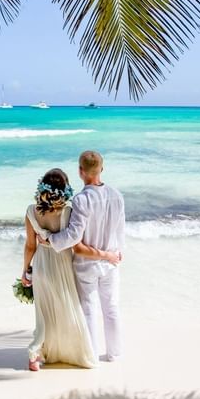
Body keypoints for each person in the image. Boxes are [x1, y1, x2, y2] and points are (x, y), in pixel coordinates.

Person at [21, 168, 120, 371]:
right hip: (63, 267)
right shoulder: (67, 212)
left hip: (41, 266)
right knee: (66, 310)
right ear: (64, 189)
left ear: (42, 187)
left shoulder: (31, 211)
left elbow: (30, 246)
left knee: (44, 314)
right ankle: (71, 351)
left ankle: (35, 355)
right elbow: (74, 244)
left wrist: (25, 270)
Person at [44, 151, 125, 362]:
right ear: (102, 169)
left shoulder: (81, 200)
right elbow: (120, 230)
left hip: (86, 264)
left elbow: (73, 236)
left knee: (89, 309)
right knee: (111, 308)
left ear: (81, 172)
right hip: (110, 261)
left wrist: (50, 239)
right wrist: (117, 253)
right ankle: (115, 354)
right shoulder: (117, 195)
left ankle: (92, 356)